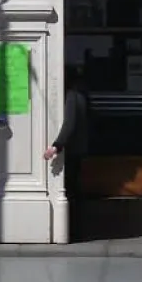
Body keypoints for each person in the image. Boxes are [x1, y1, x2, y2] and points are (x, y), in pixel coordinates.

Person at [43, 67, 89, 201]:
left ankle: (72, 219)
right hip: (79, 149)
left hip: (72, 150)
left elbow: (69, 124)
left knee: (69, 188)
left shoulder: (71, 97)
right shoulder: (82, 96)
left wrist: (56, 146)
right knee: (75, 186)